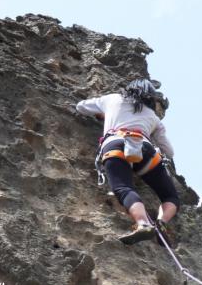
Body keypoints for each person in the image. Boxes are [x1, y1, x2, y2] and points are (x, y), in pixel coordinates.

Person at [76, 79, 180, 245]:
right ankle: (161, 223)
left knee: (124, 188)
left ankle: (143, 223)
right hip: (145, 151)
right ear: (151, 98)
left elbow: (81, 106)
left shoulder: (113, 99)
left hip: (115, 144)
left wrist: (104, 115)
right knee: (170, 196)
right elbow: (169, 151)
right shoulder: (153, 117)